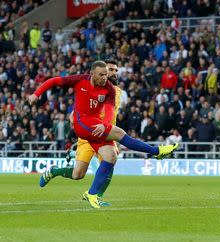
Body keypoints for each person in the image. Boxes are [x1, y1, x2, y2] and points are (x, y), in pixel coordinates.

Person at [29, 61, 178, 208]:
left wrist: (104, 124)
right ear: (92, 73)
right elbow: (56, 81)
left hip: (101, 130)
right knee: (119, 135)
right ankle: (156, 152)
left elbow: (109, 111)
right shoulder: (81, 80)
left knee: (108, 158)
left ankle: (92, 193)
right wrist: (36, 94)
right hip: (85, 127)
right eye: (105, 73)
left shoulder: (112, 90)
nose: (107, 77)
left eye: (111, 72)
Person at [39, 60, 122, 206]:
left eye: (116, 70)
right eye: (110, 70)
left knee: (109, 164)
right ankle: (55, 171)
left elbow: (108, 112)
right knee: (78, 175)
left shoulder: (116, 92)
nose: (113, 73)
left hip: (105, 135)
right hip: (88, 136)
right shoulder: (91, 87)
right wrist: (74, 113)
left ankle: (95, 196)